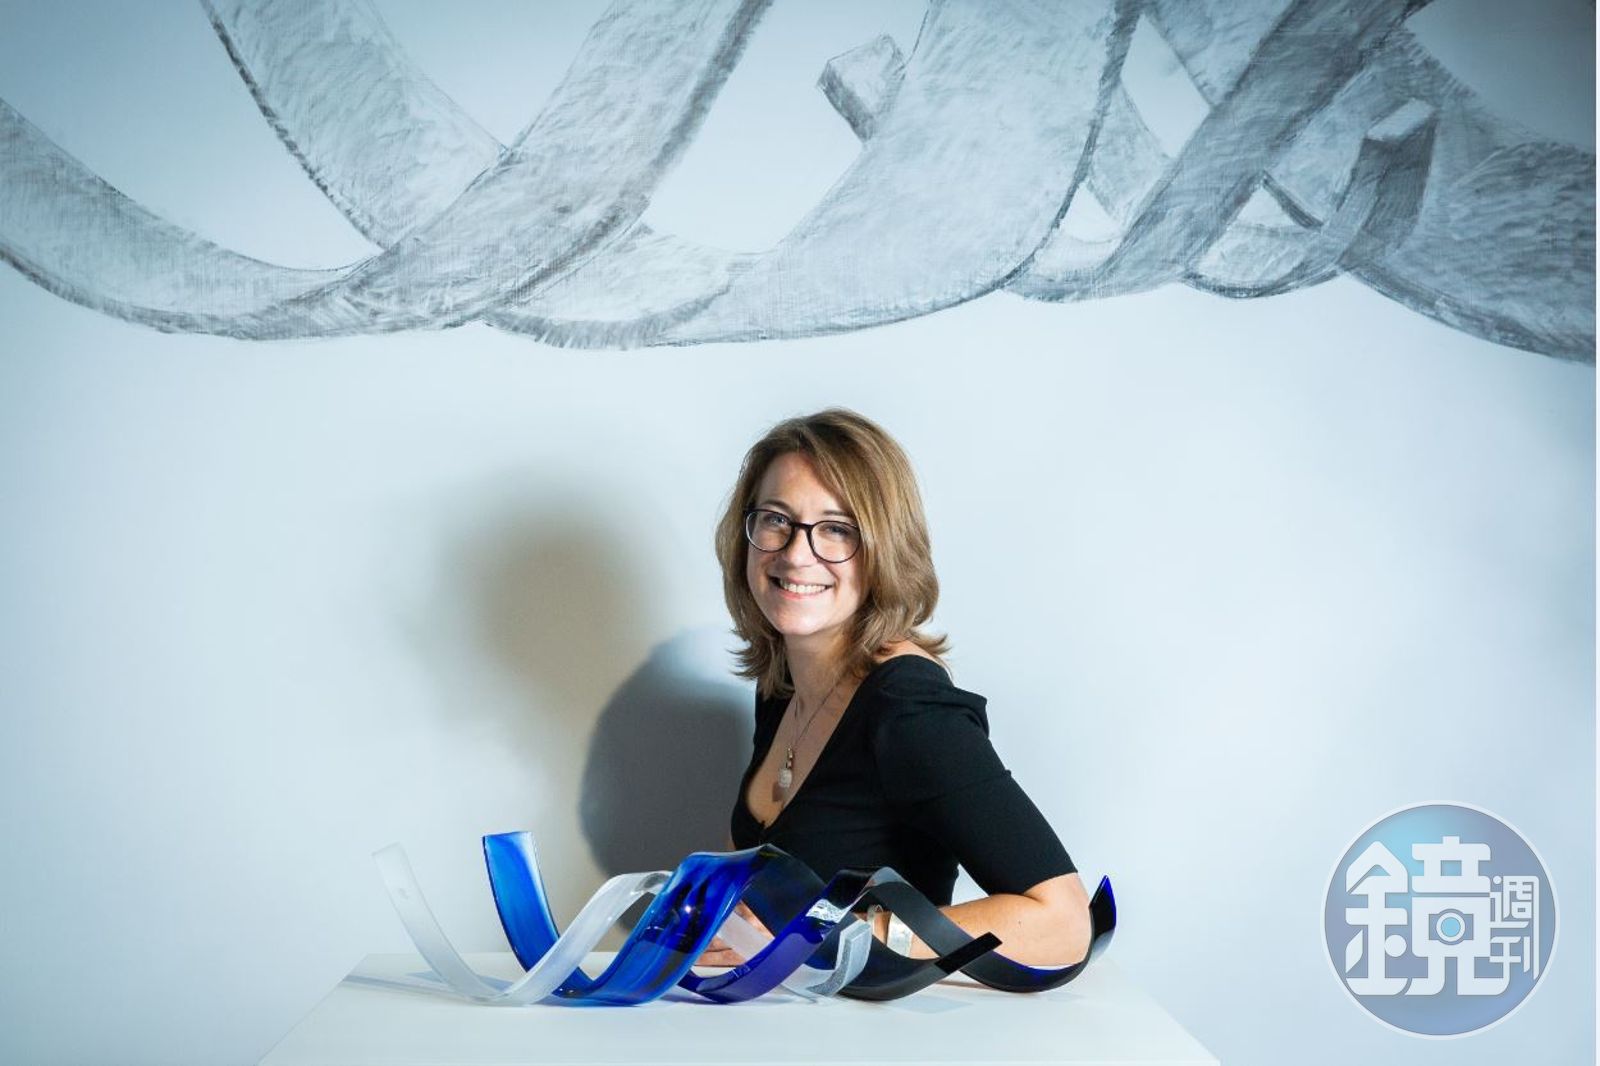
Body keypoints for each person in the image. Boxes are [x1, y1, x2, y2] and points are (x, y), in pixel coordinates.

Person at [697, 408, 1091, 969]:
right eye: (776, 519)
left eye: (836, 528)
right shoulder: (782, 681)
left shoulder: (909, 709)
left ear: (884, 546)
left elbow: (1064, 921)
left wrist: (821, 936)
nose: (795, 553)